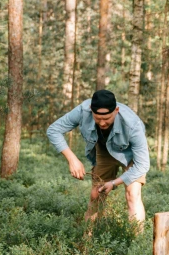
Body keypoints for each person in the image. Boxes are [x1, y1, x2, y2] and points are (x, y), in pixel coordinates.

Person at [47, 90, 150, 229]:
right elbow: (53, 130)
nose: (102, 123)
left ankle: (136, 241)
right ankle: (89, 239)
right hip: (104, 150)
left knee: (133, 194)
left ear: (116, 110)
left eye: (107, 119)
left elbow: (142, 165)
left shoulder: (133, 124)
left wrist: (114, 183)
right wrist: (72, 159)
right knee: (96, 195)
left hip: (131, 154)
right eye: (98, 118)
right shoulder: (83, 110)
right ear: (91, 110)